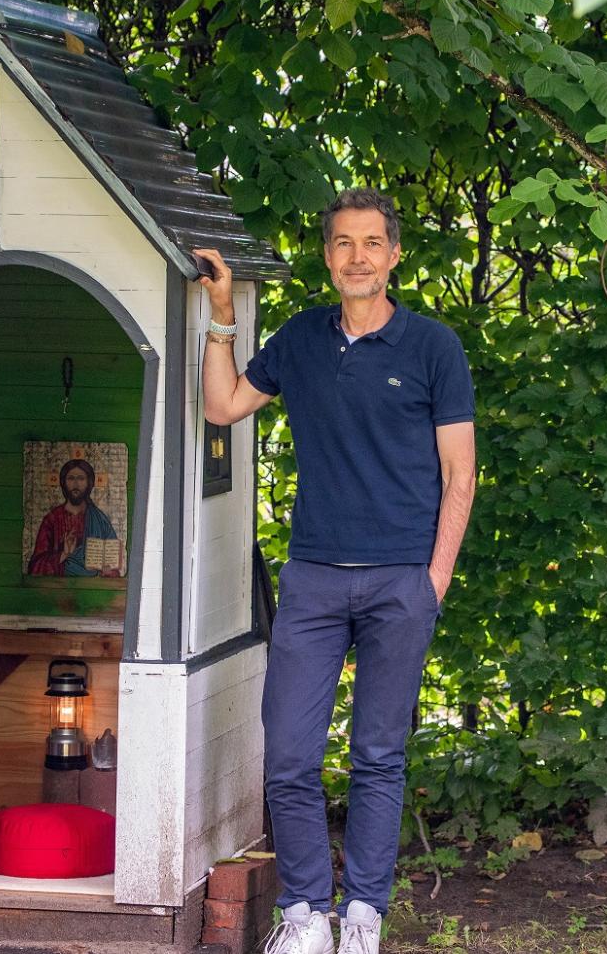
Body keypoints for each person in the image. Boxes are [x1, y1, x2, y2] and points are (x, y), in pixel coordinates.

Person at [194, 187, 476, 954]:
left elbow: (461, 473)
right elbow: (222, 406)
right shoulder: (300, 339)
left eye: (371, 242)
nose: (358, 256)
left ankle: (362, 919)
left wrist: (432, 581)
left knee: (378, 757)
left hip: (400, 581)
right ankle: (306, 914)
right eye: (344, 243)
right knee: (288, 754)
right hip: (314, 578)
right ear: (328, 256)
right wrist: (221, 314)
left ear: (394, 254)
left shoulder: (433, 348)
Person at [26, 458, 122, 577]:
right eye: (71, 478)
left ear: (89, 483)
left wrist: (108, 571)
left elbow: (113, 566)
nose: (76, 484)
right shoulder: (52, 520)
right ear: (63, 483)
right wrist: (64, 554)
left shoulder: (100, 520)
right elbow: (35, 567)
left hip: (92, 587)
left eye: (81, 478)